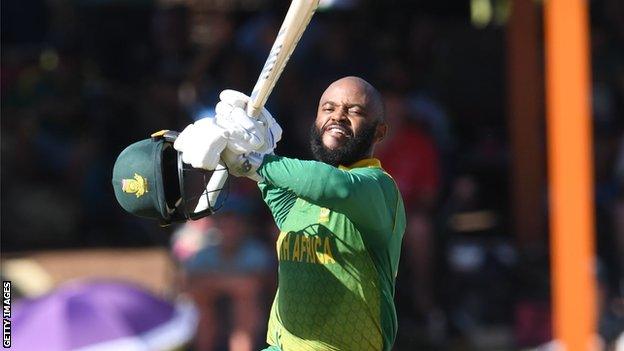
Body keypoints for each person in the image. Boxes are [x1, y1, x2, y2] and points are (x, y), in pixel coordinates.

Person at [174, 76, 407, 351]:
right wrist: (261, 150)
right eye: (328, 108)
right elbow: (278, 192)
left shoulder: (377, 187)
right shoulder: (304, 197)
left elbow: (331, 185)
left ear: (379, 132)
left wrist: (255, 161)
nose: (338, 117)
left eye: (354, 111)